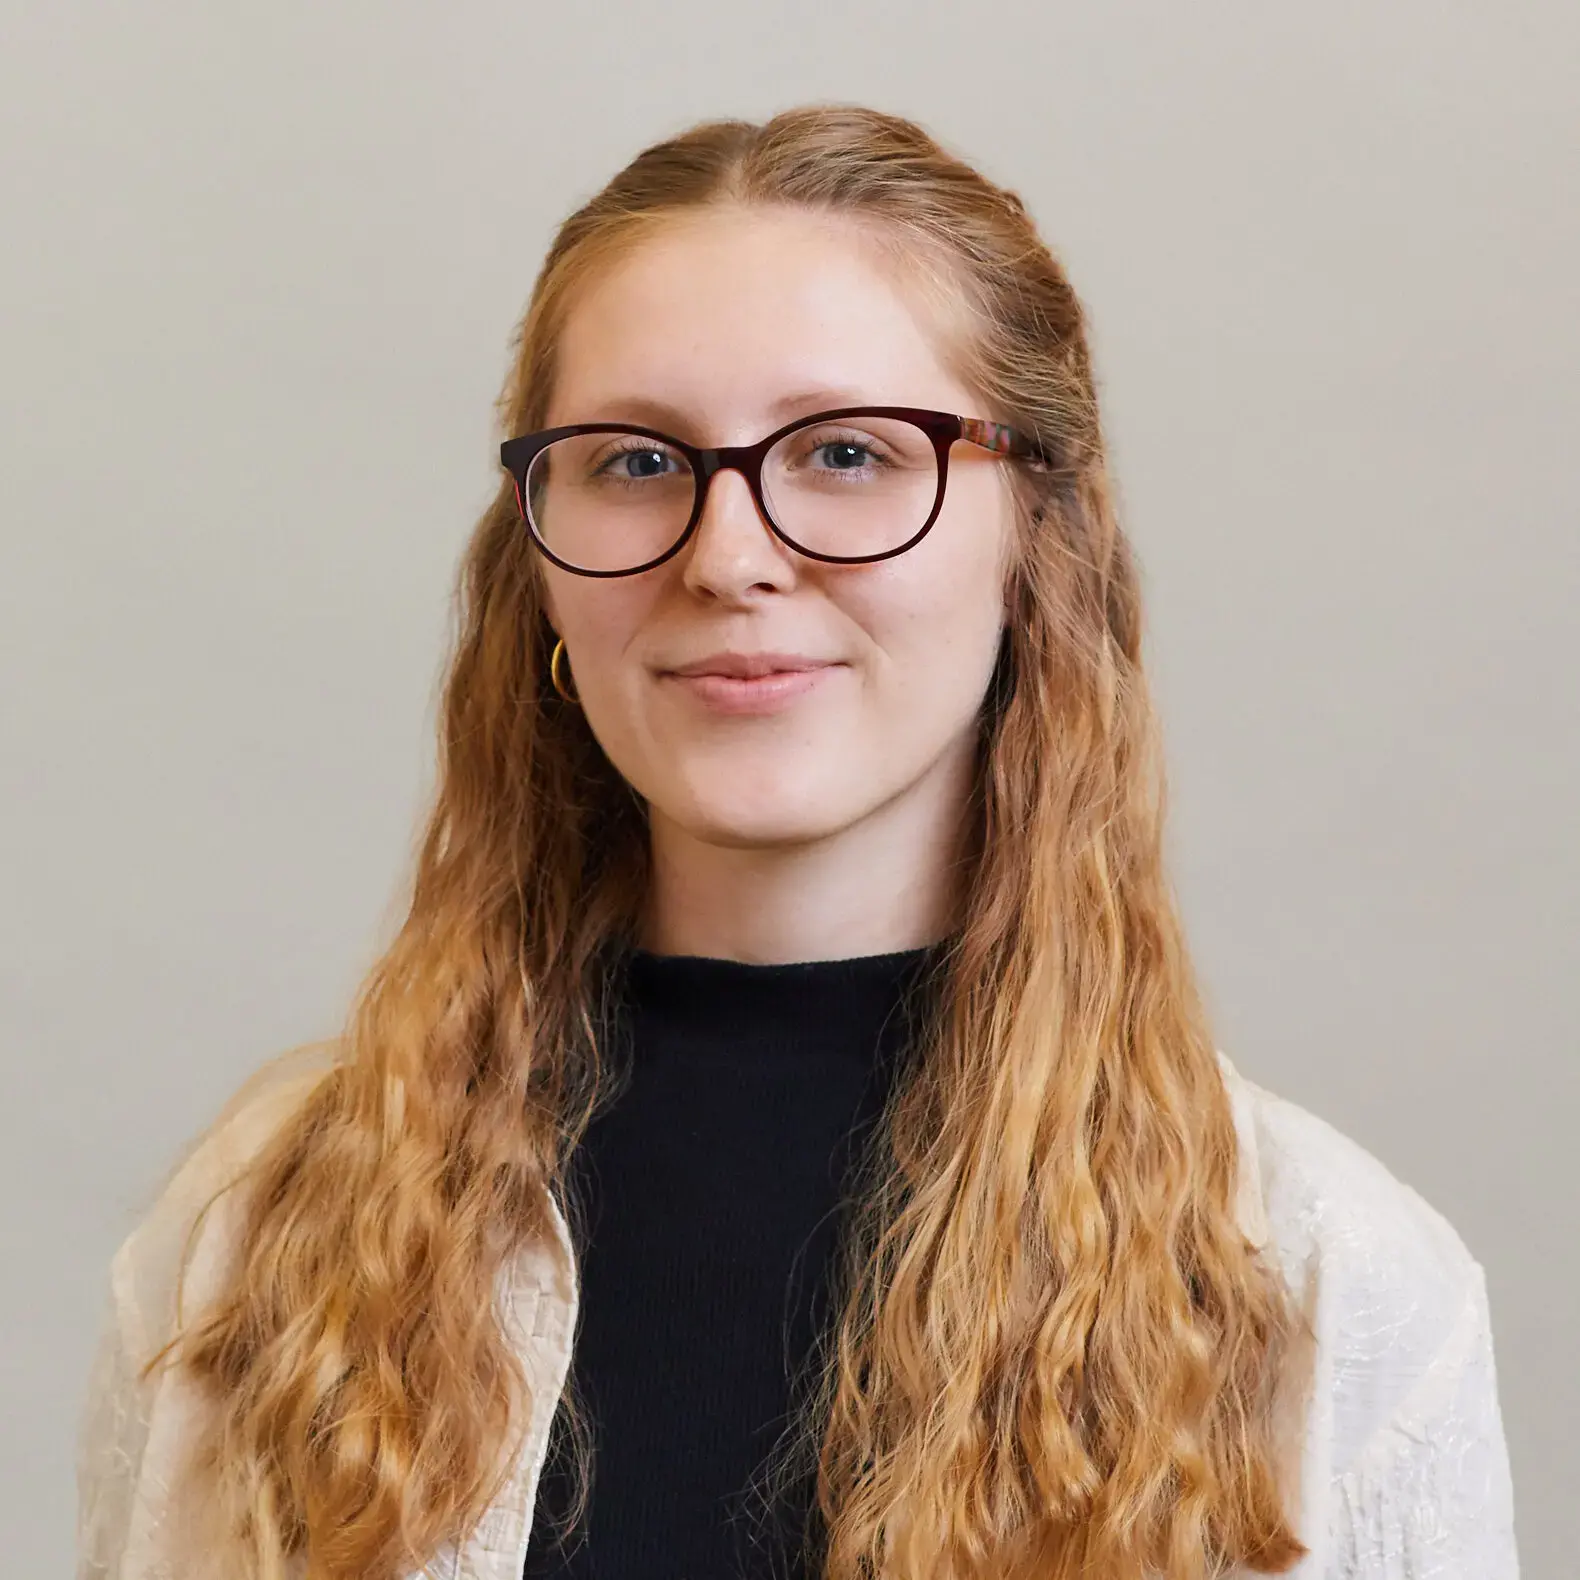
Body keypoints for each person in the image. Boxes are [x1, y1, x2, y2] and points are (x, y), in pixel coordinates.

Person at [75, 104, 1519, 1580]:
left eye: (845, 452)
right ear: (537, 552)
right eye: (637, 461)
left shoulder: (1330, 1288)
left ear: (1035, 539)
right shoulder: (259, 1236)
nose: (728, 557)